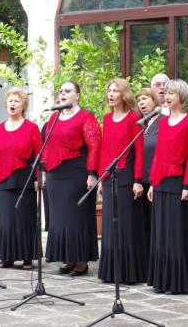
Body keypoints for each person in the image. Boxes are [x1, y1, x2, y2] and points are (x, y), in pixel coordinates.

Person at [147, 79, 188, 294]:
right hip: (160, 182)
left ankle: (178, 281)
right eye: (166, 93)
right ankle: (163, 280)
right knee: (161, 233)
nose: (167, 97)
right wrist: (152, 182)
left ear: (183, 98)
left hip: (179, 182)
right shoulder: (162, 121)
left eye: (172, 94)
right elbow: (158, 154)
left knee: (177, 232)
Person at [44, 81, 101, 276]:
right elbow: (47, 147)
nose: (63, 94)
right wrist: (44, 171)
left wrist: (92, 173)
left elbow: (95, 146)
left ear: (77, 95)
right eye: (61, 91)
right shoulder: (53, 118)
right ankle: (68, 259)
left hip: (77, 174)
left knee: (77, 218)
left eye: (68, 91)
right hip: (55, 174)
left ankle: (81, 262)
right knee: (59, 218)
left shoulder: (86, 117)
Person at [97, 78, 148, 284]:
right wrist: (101, 177)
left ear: (124, 94)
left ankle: (129, 272)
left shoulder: (134, 118)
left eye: (115, 90)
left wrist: (137, 180)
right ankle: (112, 270)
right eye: (109, 90)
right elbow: (104, 150)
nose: (111, 94)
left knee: (126, 225)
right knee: (110, 224)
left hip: (127, 178)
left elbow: (140, 152)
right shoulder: (107, 119)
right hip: (109, 178)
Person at [0, 87, 41, 270]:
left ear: (23, 105)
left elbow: (38, 155)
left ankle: (27, 257)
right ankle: (6, 256)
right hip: (2, 179)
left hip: (23, 179)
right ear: (6, 105)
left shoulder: (31, 128)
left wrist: (37, 177)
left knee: (24, 218)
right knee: (6, 219)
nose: (13, 103)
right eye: (10, 100)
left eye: (17, 101)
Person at [136, 88, 162, 246]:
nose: (141, 103)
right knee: (143, 225)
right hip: (140, 181)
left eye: (145, 99)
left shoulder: (163, 121)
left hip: (157, 180)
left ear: (154, 100)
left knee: (156, 224)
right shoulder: (141, 123)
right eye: (139, 101)